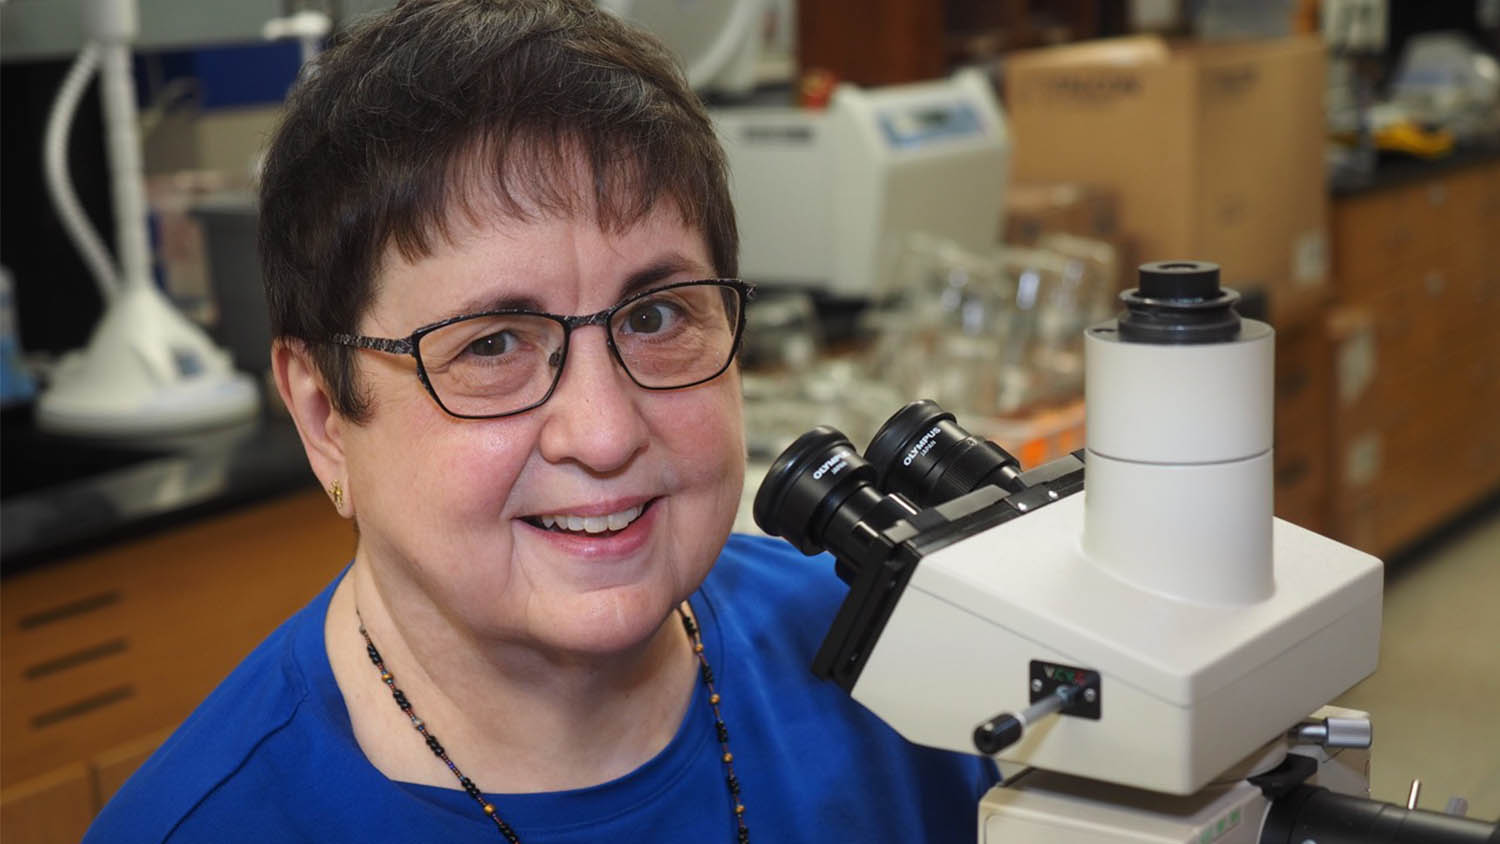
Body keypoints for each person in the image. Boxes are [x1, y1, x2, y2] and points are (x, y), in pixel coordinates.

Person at [83, 1, 998, 840]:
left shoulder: (890, 659)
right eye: (490, 346)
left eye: (656, 316)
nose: (603, 435)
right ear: (325, 415)